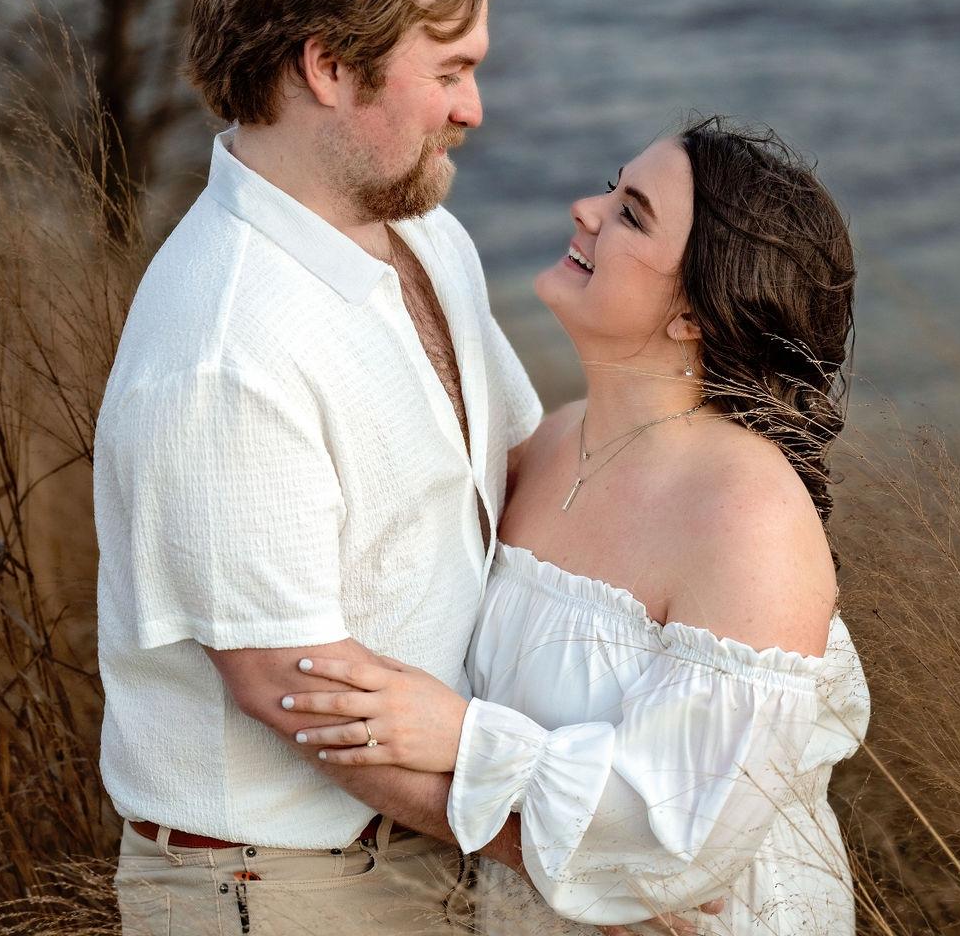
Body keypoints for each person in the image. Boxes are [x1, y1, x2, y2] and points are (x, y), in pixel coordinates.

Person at [277, 117, 873, 934]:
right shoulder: (555, 441)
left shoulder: (747, 514)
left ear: (695, 314)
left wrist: (465, 737)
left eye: (632, 214)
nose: (585, 211)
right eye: (610, 187)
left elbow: (684, 841)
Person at [94, 0, 545, 933]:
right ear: (329, 66)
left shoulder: (427, 234)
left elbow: (524, 458)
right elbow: (296, 692)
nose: (473, 108)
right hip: (282, 889)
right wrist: (576, 856)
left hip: (431, 839)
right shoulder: (223, 352)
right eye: (450, 70)